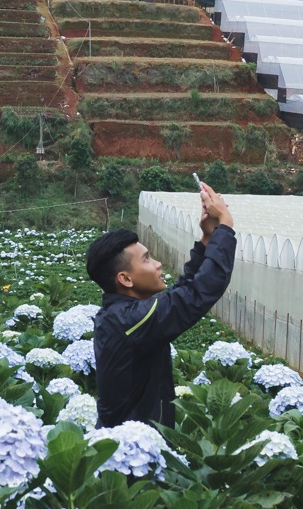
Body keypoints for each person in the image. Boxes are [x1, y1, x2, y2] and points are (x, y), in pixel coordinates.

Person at [87, 181, 236, 428]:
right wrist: (226, 229)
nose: (157, 264)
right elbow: (198, 293)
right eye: (146, 260)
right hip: (130, 458)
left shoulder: (124, 315)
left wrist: (209, 237)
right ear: (125, 279)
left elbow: (183, 290)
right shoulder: (128, 322)